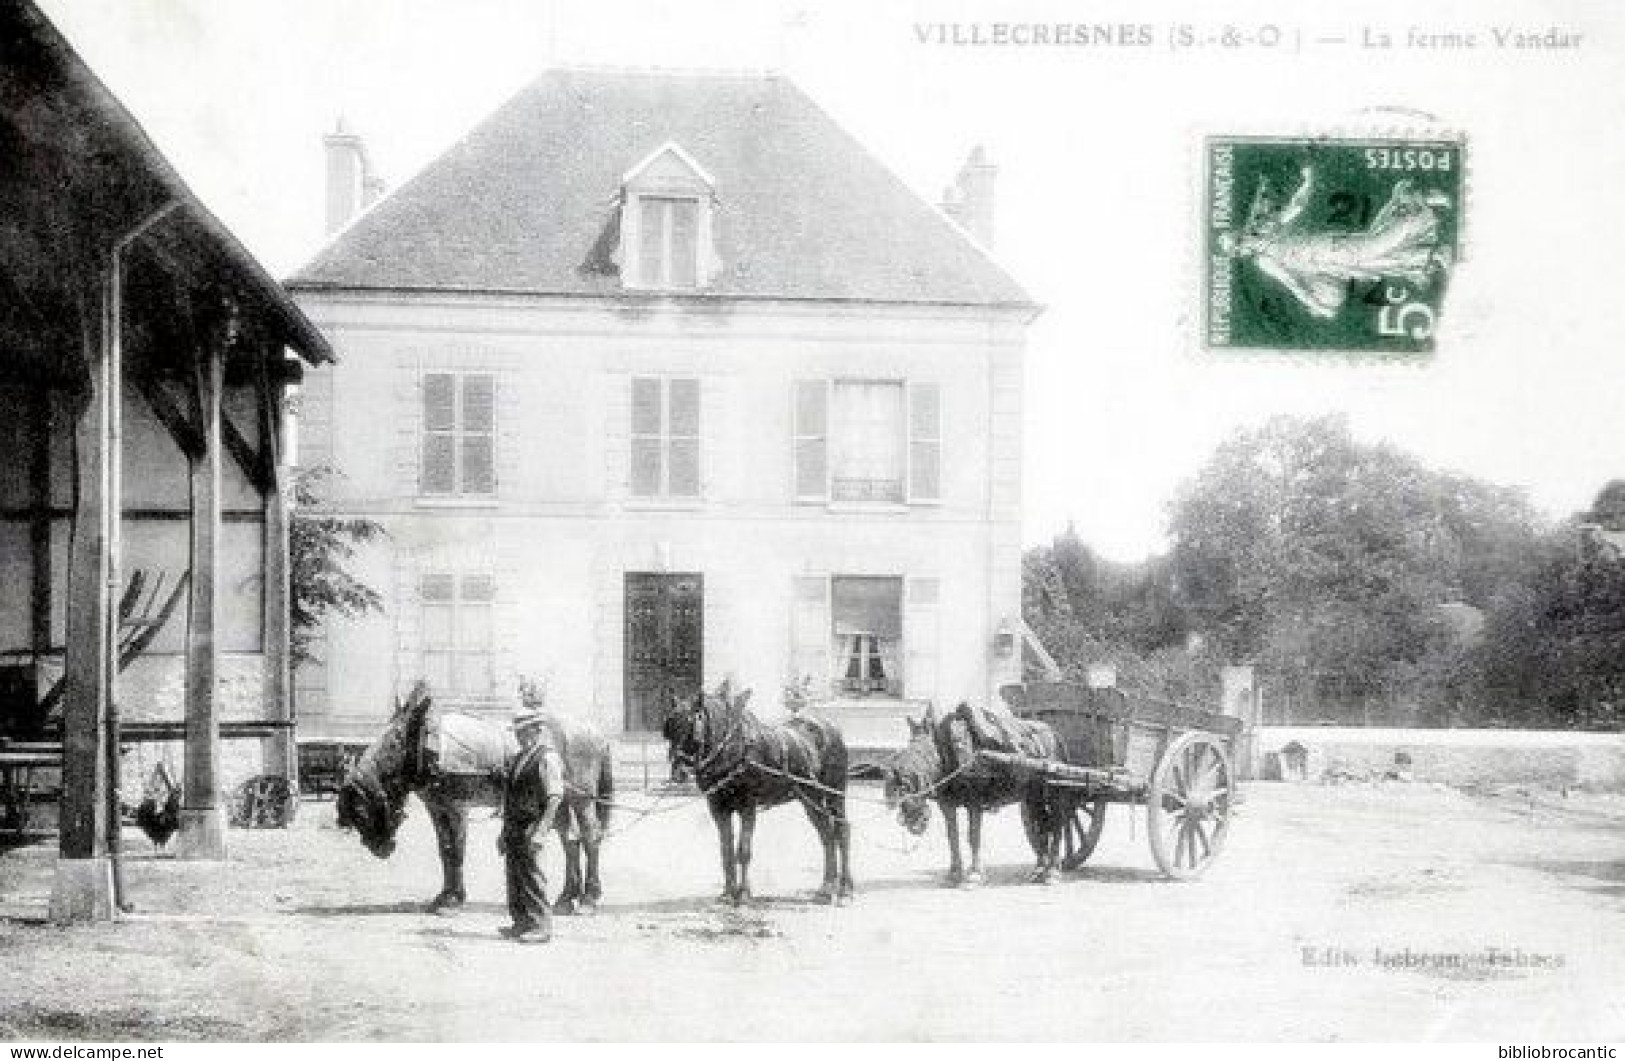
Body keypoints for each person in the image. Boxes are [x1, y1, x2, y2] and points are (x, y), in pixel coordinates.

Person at [497, 707, 565, 943]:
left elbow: (554, 797)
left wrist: (542, 831)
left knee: (532, 875)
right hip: (514, 825)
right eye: (518, 733)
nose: (520, 736)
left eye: (525, 732)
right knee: (514, 875)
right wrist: (503, 831)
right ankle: (521, 922)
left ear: (537, 731)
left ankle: (541, 926)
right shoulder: (518, 758)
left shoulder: (547, 757)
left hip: (531, 824)